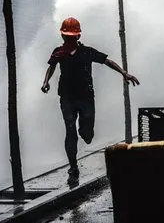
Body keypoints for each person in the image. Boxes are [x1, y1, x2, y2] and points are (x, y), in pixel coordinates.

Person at [41, 17, 140, 184]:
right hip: (67, 97)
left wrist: (124, 73)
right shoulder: (58, 52)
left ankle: (85, 132)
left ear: (78, 37)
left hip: (86, 98)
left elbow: (106, 61)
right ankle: (73, 167)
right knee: (70, 130)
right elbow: (52, 66)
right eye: (66, 36)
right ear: (62, 36)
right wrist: (46, 82)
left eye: (71, 37)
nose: (69, 39)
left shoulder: (87, 52)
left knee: (87, 134)